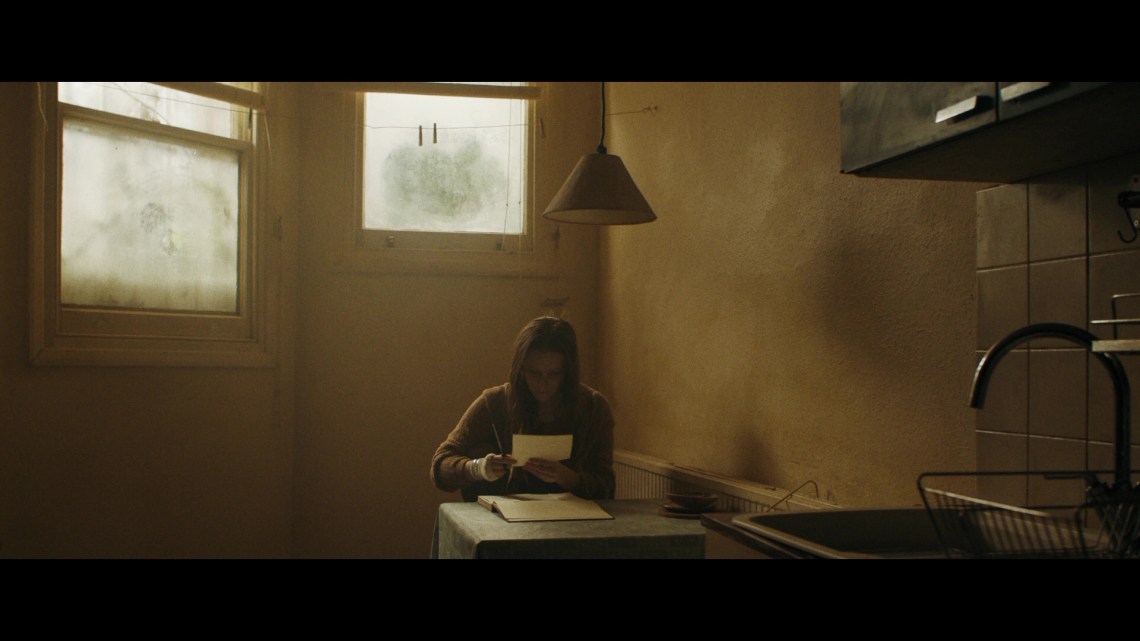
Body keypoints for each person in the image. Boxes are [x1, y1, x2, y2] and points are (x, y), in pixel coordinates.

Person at [430, 316, 615, 502]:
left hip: (573, 517)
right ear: (520, 369)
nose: (543, 383)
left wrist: (567, 477)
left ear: (568, 373)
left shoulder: (593, 408)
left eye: (554, 374)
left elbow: (607, 488)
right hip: (499, 517)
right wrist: (478, 468)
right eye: (534, 373)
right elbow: (440, 468)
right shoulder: (494, 404)